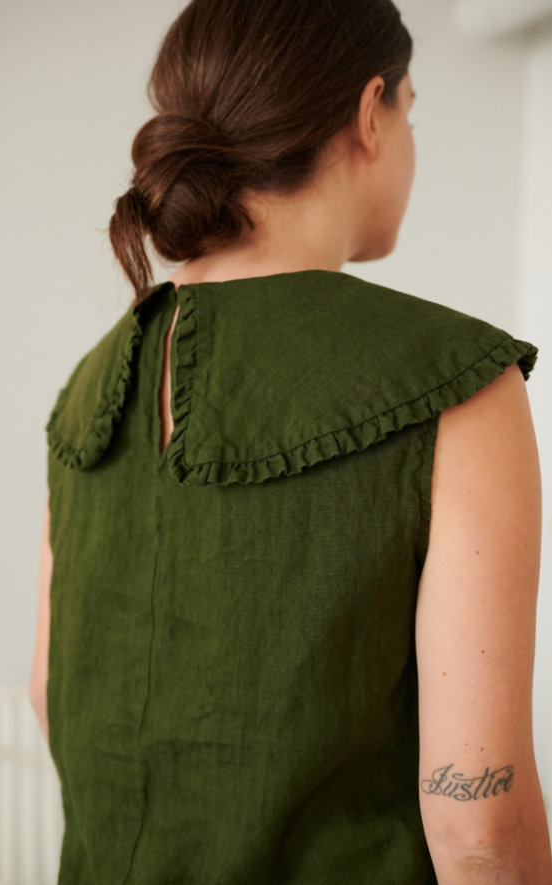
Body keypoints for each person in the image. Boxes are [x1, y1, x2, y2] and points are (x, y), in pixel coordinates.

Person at [29, 0, 551, 882]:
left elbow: (51, 697)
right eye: (410, 113)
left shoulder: (89, 386)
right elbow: (480, 829)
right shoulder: (456, 380)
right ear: (369, 111)